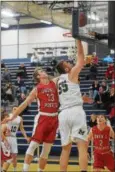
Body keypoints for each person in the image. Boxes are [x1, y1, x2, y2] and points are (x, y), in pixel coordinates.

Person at [2, 67, 59, 172]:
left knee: (46, 150)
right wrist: (12, 116)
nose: (44, 72)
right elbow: (24, 104)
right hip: (43, 118)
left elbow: (66, 77)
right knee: (33, 145)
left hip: (55, 118)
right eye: (41, 71)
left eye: (43, 70)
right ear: (38, 76)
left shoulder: (54, 82)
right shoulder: (37, 89)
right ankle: (25, 170)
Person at [56, 39, 88, 172]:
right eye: (67, 63)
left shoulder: (56, 80)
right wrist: (78, 41)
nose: (69, 63)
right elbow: (81, 58)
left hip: (63, 114)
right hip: (76, 112)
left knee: (65, 148)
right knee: (82, 145)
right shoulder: (71, 74)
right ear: (66, 68)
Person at [5, 107, 30, 172]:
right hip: (6, 137)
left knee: (14, 155)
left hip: (13, 138)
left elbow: (22, 129)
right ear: (12, 110)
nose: (15, 110)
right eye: (14, 109)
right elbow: (2, 122)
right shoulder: (8, 115)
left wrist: (26, 137)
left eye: (16, 109)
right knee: (4, 155)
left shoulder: (20, 118)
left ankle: (14, 169)